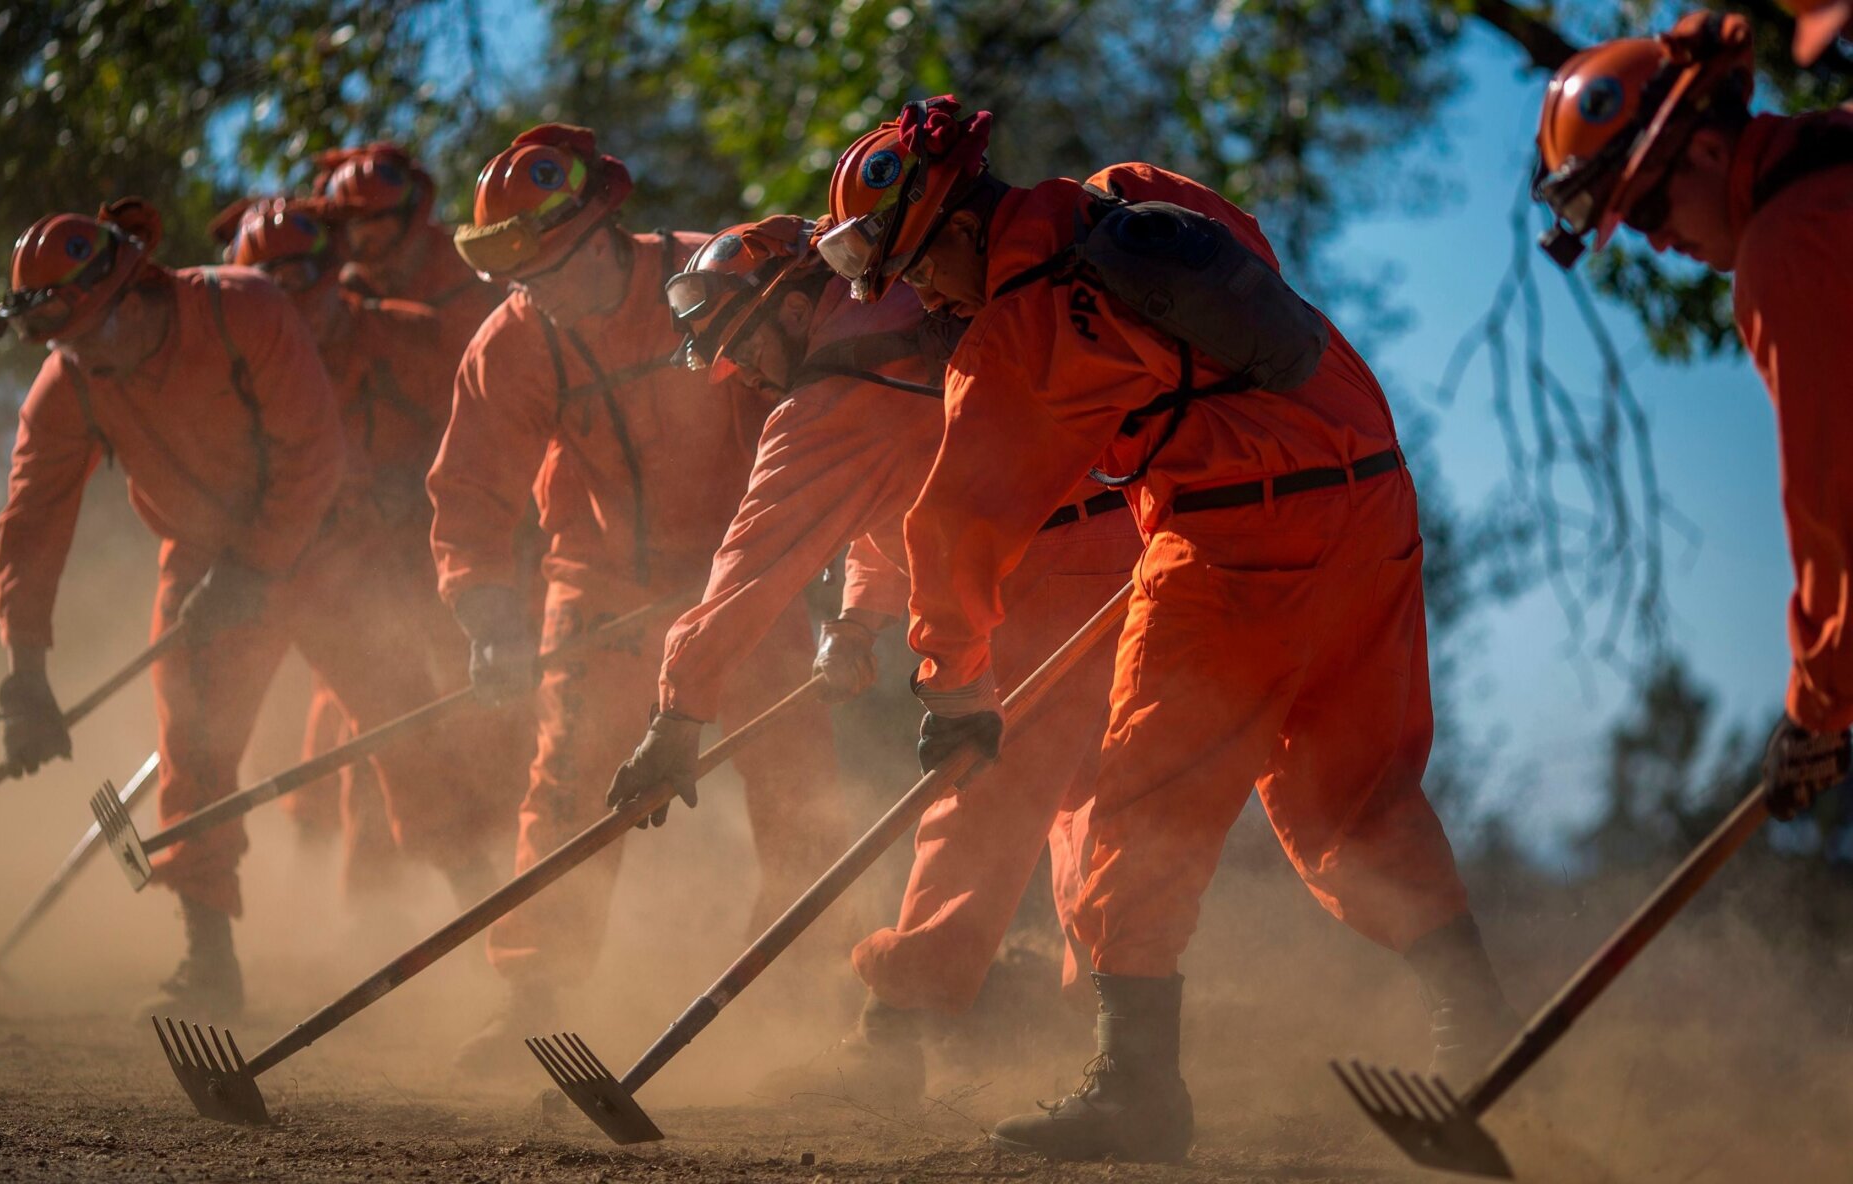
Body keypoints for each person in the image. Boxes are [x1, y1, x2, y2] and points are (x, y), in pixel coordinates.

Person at [819, 97, 1512, 1161]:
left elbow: (956, 526)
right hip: (1373, 493)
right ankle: (1475, 1023)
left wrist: (953, 688)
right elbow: (1258, 299)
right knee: (1354, 792)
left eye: (917, 269)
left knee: (1137, 806)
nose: (924, 297)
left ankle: (1136, 1086)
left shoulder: (1013, 335)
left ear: (959, 226)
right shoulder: (1136, 190)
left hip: (1234, 540)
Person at [608, 215, 1140, 1107]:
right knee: (1091, 801)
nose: (750, 374)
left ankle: (887, 1042)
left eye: (746, 347)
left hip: (1041, 574)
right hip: (1112, 549)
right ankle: (1104, 1028)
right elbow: (906, 492)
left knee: (976, 791)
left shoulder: (836, 398)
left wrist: (676, 716)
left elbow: (753, 564)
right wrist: (857, 624)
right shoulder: (904, 324)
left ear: (793, 303)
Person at [0, 199, 498, 1021]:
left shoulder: (244, 311)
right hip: (200, 561)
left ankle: (497, 941)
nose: (82, 350)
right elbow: (33, 519)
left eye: (91, 326)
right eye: (63, 338)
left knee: (408, 732)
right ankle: (210, 965)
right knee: (194, 750)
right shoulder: (71, 382)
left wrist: (255, 569)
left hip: (326, 546)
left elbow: (314, 455)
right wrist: (26, 670)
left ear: (136, 288)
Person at [428, 126, 838, 1073]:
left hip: (744, 571)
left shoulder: (712, 276)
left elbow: (803, 409)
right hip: (599, 580)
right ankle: (532, 1001)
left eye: (553, 268)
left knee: (796, 787)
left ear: (602, 229)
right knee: (566, 787)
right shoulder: (517, 339)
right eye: (522, 279)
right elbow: (472, 488)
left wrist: (808, 544)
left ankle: (799, 994)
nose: (542, 293)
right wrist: (487, 612)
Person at [1531, 11, 1853, 820]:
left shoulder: (1790, 247)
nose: (1658, 243)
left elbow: (1836, 509)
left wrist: (1818, 708)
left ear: (1706, 148)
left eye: (1643, 210)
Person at [223, 195, 528, 902]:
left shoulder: (411, 337)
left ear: (336, 276)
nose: (296, 309)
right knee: (371, 733)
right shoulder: (243, 381)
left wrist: (416, 481)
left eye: (305, 284)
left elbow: (486, 433)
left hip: (435, 555)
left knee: (486, 702)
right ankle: (377, 905)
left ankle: (500, 872)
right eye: (272, 294)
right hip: (337, 576)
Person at [311, 141, 505, 360]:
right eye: (358, 223)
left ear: (408, 212)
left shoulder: (468, 255)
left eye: (381, 217)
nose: (372, 232)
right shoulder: (343, 295)